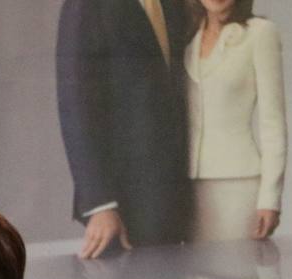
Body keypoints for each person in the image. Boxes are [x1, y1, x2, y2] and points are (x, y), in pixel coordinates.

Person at [56, 0, 192, 258]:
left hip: (176, 195)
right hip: (123, 201)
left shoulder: (173, 4)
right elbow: (74, 105)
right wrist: (100, 204)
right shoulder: (85, 5)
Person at [184, 0, 286, 242]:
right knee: (191, 274)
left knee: (235, 270)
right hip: (187, 185)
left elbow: (273, 124)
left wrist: (270, 199)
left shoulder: (260, 33)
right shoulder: (187, 36)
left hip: (238, 185)